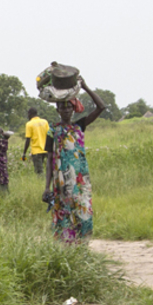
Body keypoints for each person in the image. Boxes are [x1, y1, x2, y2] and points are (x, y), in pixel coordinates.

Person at [43, 79, 106, 243]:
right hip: (62, 182)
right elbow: (49, 158)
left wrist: (85, 87)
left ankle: (82, 247)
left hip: (81, 181)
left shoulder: (80, 126)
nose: (66, 110)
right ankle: (68, 251)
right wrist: (46, 187)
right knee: (64, 216)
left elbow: (101, 107)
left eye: (69, 107)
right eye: (63, 107)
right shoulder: (52, 130)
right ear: (57, 109)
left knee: (84, 216)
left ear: (74, 109)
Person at [21, 107, 50, 175]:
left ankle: (42, 184)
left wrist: (24, 153)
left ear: (30, 114)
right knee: (50, 168)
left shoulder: (29, 124)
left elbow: (28, 140)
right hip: (46, 149)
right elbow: (49, 135)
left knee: (39, 172)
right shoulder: (45, 121)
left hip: (36, 151)